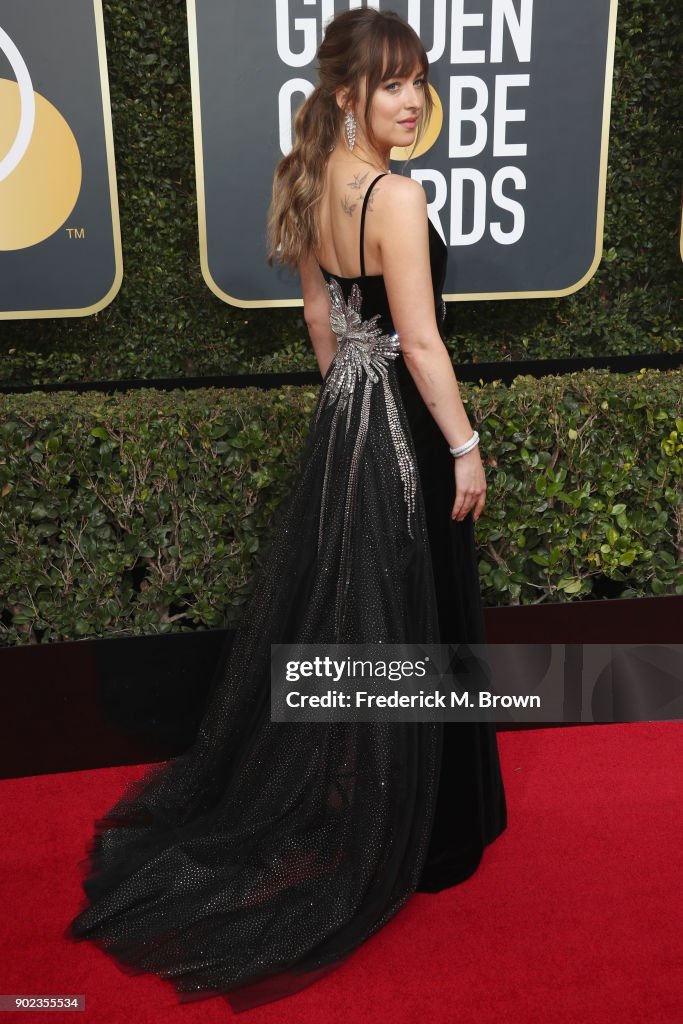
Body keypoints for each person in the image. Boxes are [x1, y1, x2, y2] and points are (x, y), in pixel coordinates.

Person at [65, 8, 506, 1013]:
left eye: (417, 83)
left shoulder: (302, 176)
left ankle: (356, 791)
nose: (410, 102)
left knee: (360, 618)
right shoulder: (397, 194)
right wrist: (461, 447)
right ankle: (425, 829)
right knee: (413, 622)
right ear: (348, 92)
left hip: (347, 414)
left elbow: (322, 322)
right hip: (404, 419)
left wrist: (347, 415)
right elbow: (423, 344)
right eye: (391, 84)